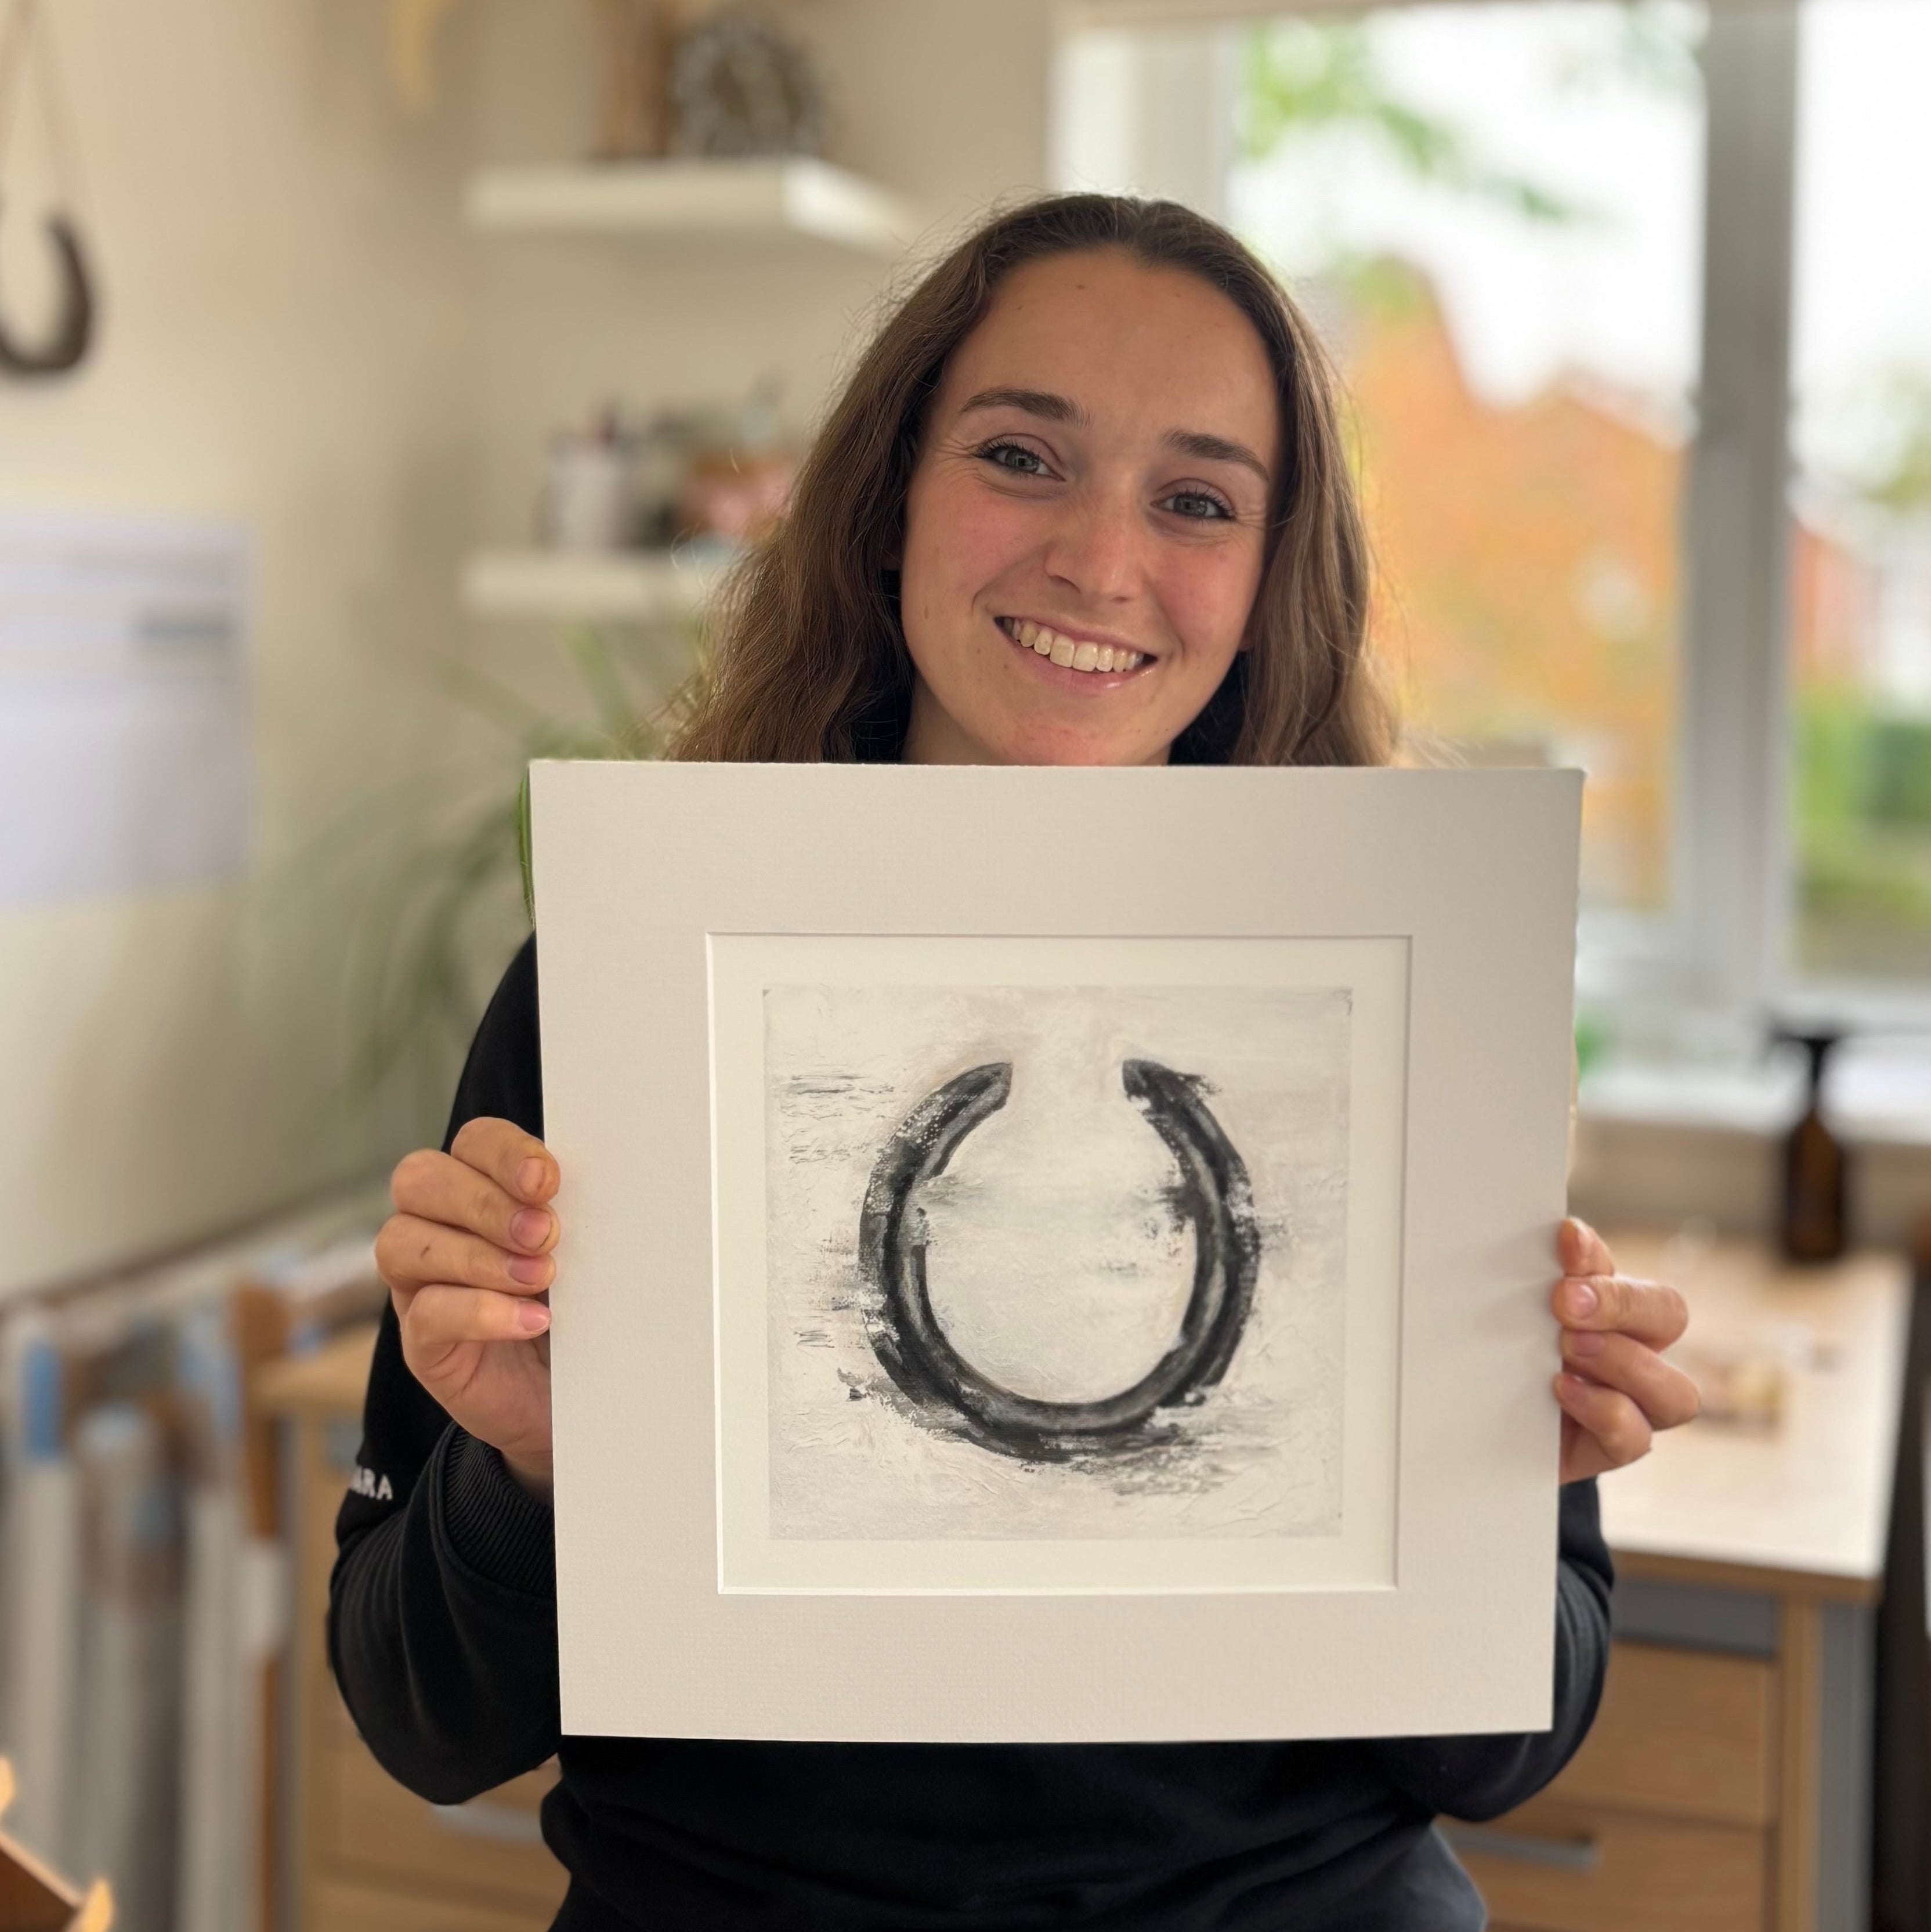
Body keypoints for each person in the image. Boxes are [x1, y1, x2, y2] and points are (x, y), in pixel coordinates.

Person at [332, 194, 1699, 1932]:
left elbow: (1501, 1752)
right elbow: (416, 1720)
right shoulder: (624, 993)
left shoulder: (1401, 1003)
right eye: (1023, 457)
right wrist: (527, 1466)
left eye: (1197, 498)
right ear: (892, 497)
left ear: (1273, 575)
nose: (1101, 561)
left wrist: (1502, 1501)